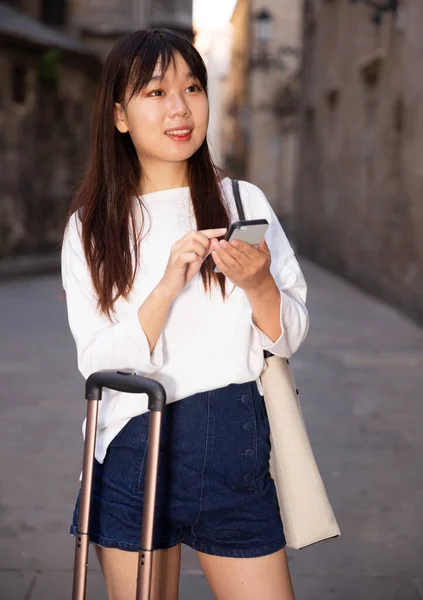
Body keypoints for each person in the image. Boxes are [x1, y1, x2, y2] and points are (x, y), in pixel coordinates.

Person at [61, 28, 309, 600]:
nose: (180, 108)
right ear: (120, 115)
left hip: (233, 440)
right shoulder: (92, 227)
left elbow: (289, 334)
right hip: (131, 446)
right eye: (155, 92)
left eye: (192, 87)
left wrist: (259, 284)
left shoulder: (243, 202)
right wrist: (167, 285)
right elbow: (96, 361)